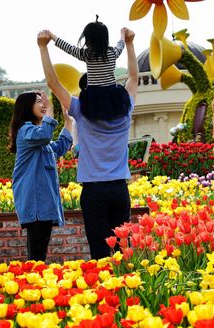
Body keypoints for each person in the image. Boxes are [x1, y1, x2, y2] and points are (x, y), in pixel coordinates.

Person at [38, 27, 138, 260]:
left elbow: (53, 84)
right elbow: (133, 78)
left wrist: (44, 46)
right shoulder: (125, 111)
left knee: (100, 254)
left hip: (93, 190)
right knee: (125, 251)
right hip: (119, 188)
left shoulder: (81, 110)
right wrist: (129, 43)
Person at [9, 90, 74, 261]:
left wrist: (68, 122)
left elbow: (59, 147)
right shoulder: (26, 131)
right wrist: (51, 110)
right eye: (39, 101)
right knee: (37, 256)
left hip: (44, 205)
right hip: (35, 204)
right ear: (27, 107)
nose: (43, 105)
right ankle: (32, 284)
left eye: (43, 101)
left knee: (39, 254)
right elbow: (45, 135)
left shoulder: (37, 138)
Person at [49, 17, 130, 122]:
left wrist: (52, 37)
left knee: (95, 119)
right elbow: (121, 45)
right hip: (112, 95)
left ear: (89, 40)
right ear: (106, 39)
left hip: (94, 97)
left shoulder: (87, 55)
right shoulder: (112, 53)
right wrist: (122, 34)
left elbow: (68, 48)